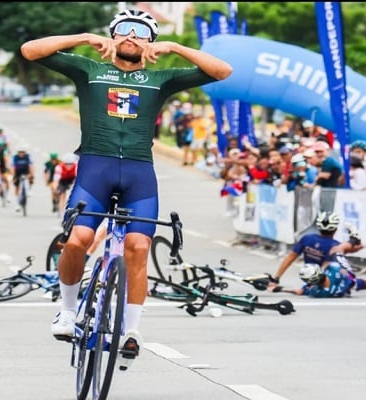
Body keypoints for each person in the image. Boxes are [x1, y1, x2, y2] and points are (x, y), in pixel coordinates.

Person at [20, 7, 233, 367]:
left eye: (141, 32)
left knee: (138, 247)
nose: (131, 36)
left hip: (139, 174)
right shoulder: (89, 70)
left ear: (149, 42)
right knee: (77, 241)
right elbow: (30, 50)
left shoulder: (162, 79)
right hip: (95, 168)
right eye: (124, 30)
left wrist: (175, 47)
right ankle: (68, 312)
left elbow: (221, 71)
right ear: (112, 36)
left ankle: (131, 331)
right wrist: (85, 39)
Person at [272, 259, 366, 298]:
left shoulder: (315, 291)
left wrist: (279, 289)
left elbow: (298, 291)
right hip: (348, 284)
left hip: (346, 284)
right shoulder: (332, 273)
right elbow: (345, 272)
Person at [11, 146, 34, 212]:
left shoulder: (28, 157)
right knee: (17, 187)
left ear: (25, 152)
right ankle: (16, 204)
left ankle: (29, 189)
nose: (21, 154)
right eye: (20, 152)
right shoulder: (14, 157)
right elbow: (13, 168)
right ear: (17, 152)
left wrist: (31, 175)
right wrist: (14, 176)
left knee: (31, 179)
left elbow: (31, 166)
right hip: (18, 172)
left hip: (26, 171)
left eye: (22, 152)